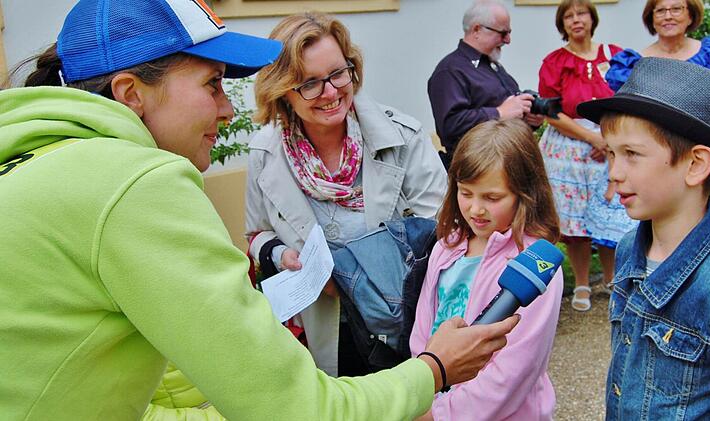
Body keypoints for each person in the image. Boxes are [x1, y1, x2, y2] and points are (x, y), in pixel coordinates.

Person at [0, 1, 520, 419]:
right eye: (212, 84)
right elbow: (298, 407)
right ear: (131, 93)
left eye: (338, 74)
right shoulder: (139, 182)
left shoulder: (37, 158)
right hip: (331, 334)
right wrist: (434, 370)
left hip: (395, 317)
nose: (227, 108)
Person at [245, 12, 448, 377]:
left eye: (338, 73)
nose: (331, 92)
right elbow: (257, 235)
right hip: (323, 326)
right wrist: (280, 254)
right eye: (309, 83)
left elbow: (444, 231)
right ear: (283, 92)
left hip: (404, 320)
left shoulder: (402, 137)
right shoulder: (265, 154)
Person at [578, 57, 710, 420]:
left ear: (696, 164)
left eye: (632, 155)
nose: (614, 172)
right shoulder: (628, 249)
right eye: (610, 153)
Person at [410, 119, 563, 421]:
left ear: (525, 193)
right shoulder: (446, 247)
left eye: (492, 198)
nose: (476, 209)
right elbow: (423, 327)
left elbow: (515, 369)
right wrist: (421, 385)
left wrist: (442, 415)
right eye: (466, 193)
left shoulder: (535, 265)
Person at [602, 0, 710, 248]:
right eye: (660, 10)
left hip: (703, 162)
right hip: (660, 167)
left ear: (690, 15)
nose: (668, 16)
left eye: (676, 9)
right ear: (651, 18)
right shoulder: (636, 64)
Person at [538, 0, 621, 312]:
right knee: (575, 224)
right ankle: (583, 281)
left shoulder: (614, 54)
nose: (576, 20)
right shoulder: (554, 61)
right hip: (568, 148)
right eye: (568, 16)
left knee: (610, 216)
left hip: (611, 143)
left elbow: (626, 98)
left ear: (592, 18)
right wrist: (590, 136)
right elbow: (549, 110)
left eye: (581, 13)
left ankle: (612, 278)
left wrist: (608, 138)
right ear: (562, 24)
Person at [427, 0, 544, 168]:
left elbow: (508, 114)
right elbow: (450, 127)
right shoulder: (450, 71)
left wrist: (529, 119)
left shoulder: (491, 65)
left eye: (509, 33)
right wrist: (499, 112)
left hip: (506, 162)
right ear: (477, 30)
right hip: (478, 168)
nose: (508, 40)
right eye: (503, 33)